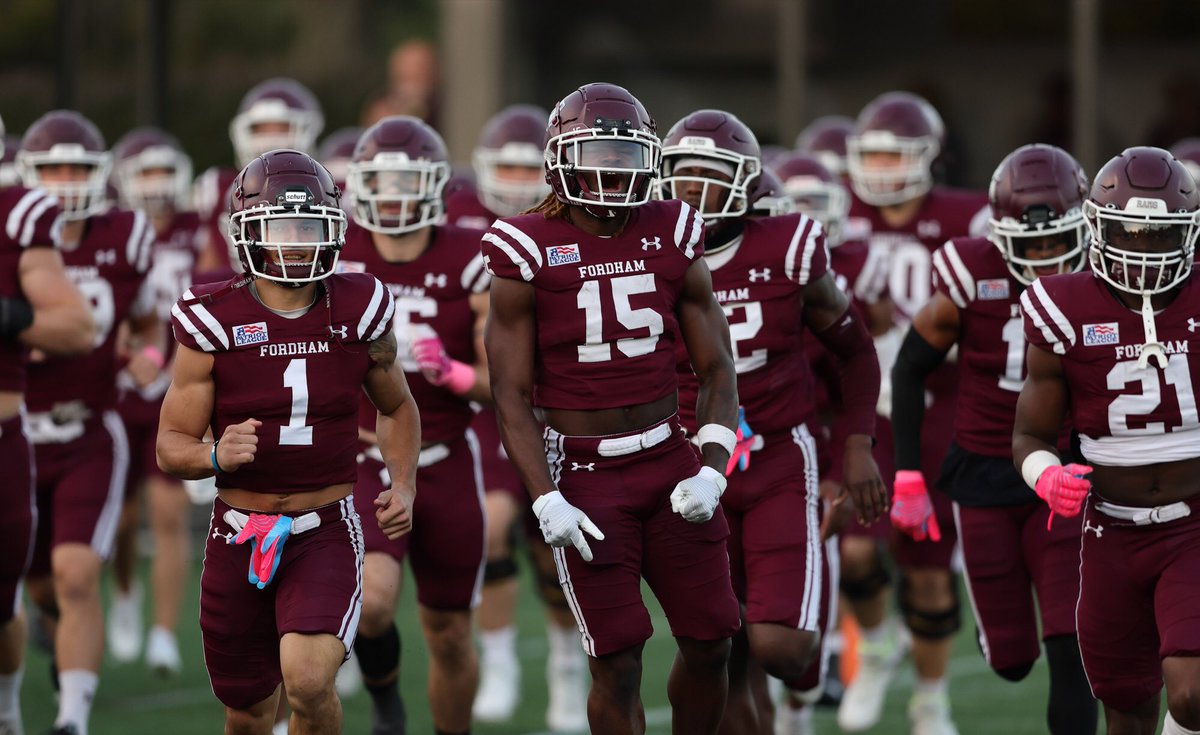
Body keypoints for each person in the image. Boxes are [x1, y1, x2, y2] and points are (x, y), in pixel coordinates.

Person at [483, 81, 742, 734]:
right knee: (618, 660)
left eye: (626, 157)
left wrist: (712, 467)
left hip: (667, 456)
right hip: (584, 474)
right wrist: (545, 497)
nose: (611, 172)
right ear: (559, 160)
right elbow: (509, 394)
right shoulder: (525, 246)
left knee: (713, 639)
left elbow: (716, 367)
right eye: (596, 154)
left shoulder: (675, 228)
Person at [157, 148, 419, 735]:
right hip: (238, 531)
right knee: (247, 714)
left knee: (306, 681)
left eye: (308, 226)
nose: (296, 242)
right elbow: (170, 444)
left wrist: (403, 483)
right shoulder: (211, 317)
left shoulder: (359, 306)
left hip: (323, 528)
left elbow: (398, 406)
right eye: (279, 227)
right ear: (247, 234)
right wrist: (214, 455)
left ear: (333, 229)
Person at [660, 109, 885, 734]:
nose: (695, 192)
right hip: (685, 463)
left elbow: (854, 351)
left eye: (712, 176)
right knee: (716, 646)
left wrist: (857, 447)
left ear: (747, 182)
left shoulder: (788, 246)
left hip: (781, 457)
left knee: (782, 648)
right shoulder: (645, 248)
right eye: (683, 176)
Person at [890, 143, 1097, 734]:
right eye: (1031, 245)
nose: (1045, 256)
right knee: (1010, 661)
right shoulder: (968, 271)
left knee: (1069, 640)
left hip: (1063, 473)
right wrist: (908, 473)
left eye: (1058, 241)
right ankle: (999, 634)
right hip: (983, 471)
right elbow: (909, 368)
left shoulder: (1099, 277)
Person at [1014, 145, 1200, 735]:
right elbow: (1029, 433)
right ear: (1096, 227)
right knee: (1126, 707)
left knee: (1193, 694)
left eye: (1160, 235)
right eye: (1130, 231)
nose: (1143, 250)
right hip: (1110, 530)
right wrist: (1046, 473)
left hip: (1194, 522)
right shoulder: (1062, 305)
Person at [839, 90, 988, 735]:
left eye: (894, 154)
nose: (881, 168)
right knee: (853, 553)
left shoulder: (969, 216)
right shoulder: (838, 214)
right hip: (862, 408)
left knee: (928, 571)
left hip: (938, 406)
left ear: (929, 157)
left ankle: (931, 698)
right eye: (871, 153)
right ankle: (874, 647)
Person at [339, 115, 487, 735]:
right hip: (366, 456)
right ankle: (387, 704)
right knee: (372, 606)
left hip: (448, 458)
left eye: (407, 181)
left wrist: (454, 373)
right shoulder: (337, 253)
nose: (395, 196)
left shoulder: (470, 256)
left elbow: (500, 379)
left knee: (450, 634)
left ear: (434, 186)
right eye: (383, 181)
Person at [443, 103, 589, 730]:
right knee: (493, 524)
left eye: (529, 166)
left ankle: (565, 660)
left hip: (564, 399)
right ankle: (499, 656)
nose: (516, 177)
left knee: (555, 546)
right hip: (491, 399)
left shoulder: (580, 216)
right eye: (505, 165)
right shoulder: (458, 223)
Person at [14, 110, 159, 735]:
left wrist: (151, 357)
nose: (67, 181)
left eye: (78, 168)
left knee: (76, 575)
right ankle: (51, 648)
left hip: (88, 431)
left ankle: (72, 718)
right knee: (38, 584)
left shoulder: (126, 236)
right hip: (16, 433)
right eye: (53, 168)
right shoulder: (11, 235)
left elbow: (152, 321)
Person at [0, 113, 95, 735]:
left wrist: (7, 314)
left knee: (3, 603)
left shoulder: (15, 218)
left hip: (8, 438)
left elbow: (76, 326)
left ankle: (8, 709)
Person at [106, 126, 204, 678]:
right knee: (120, 520)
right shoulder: (113, 231)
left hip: (178, 386)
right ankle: (124, 594)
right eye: (145, 172)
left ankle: (164, 634)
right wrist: (129, 352)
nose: (157, 183)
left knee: (167, 516)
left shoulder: (200, 231)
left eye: (164, 170)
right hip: (122, 390)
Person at [194, 78, 325, 274]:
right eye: (261, 129)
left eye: (282, 128)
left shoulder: (325, 187)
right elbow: (207, 270)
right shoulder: (221, 187)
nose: (271, 139)